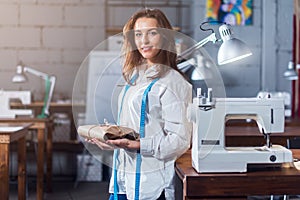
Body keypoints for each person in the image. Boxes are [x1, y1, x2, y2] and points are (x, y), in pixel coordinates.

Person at [87, 8, 192, 200]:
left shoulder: (174, 83)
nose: (144, 41)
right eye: (138, 34)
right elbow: (136, 128)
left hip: (151, 186)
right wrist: (114, 140)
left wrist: (136, 145)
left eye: (152, 33)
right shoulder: (136, 78)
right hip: (123, 181)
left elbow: (179, 141)